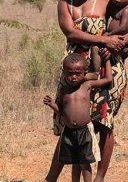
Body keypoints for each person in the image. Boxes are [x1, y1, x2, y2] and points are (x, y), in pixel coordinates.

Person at [45, 0, 128, 182]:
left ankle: (99, 178)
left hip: (108, 68)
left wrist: (119, 44)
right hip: (74, 71)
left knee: (104, 124)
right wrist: (103, 40)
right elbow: (71, 33)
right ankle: (52, 177)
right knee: (71, 124)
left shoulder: (108, 0)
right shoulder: (64, 4)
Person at [43, 53, 112, 182]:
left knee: (85, 163)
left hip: (84, 131)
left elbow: (108, 79)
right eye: (70, 73)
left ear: (84, 73)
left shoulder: (87, 85)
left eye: (77, 73)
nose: (73, 77)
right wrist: (52, 104)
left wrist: (107, 60)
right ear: (64, 73)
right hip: (69, 132)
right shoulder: (64, 90)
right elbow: (62, 112)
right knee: (74, 162)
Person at [91, 0, 128, 72]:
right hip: (113, 38)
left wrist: (109, 34)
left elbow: (123, 28)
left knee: (96, 48)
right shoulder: (116, 6)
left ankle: (96, 72)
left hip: (118, 40)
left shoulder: (127, 10)